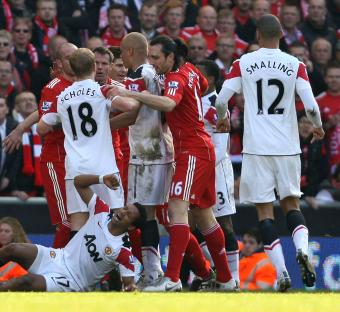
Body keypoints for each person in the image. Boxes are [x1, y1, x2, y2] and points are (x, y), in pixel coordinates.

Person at [107, 35, 236, 291]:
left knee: (177, 211)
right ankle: (227, 279)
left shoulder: (175, 78)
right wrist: (221, 114)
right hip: (197, 148)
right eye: (150, 56)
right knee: (205, 217)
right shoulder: (191, 71)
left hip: (191, 150)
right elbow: (202, 87)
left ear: (171, 57)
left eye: (156, 58)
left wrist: (138, 94)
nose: (152, 63)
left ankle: (173, 279)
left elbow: (169, 102)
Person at [215, 14, 324, 291]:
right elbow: (310, 106)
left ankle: (282, 272)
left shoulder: (244, 63)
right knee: (291, 204)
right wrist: (317, 127)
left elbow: (221, 99)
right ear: (280, 36)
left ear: (258, 36)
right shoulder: (295, 64)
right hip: (287, 148)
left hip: (256, 149)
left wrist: (224, 116)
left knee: (264, 214)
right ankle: (301, 250)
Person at [0, 173, 146, 292]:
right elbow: (78, 182)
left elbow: (129, 286)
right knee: (13, 249)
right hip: (58, 257)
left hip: (72, 281)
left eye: (128, 215)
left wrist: (130, 289)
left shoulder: (123, 252)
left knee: (25, 282)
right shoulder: (102, 212)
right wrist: (101, 179)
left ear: (131, 227)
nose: (122, 212)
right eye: (124, 208)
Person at [38, 48, 139, 236]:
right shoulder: (101, 91)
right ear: (93, 66)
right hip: (104, 167)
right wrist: (116, 95)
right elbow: (131, 106)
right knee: (115, 218)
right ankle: (114, 264)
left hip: (75, 169)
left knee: (78, 223)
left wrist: (65, 120)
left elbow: (41, 128)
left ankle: (80, 265)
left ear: (73, 70)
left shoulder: (62, 97)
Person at [113, 32, 174, 287]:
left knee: (145, 213)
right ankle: (152, 271)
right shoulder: (151, 74)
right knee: (147, 213)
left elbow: (131, 110)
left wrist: (105, 121)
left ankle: (153, 272)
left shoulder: (140, 76)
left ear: (129, 52)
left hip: (148, 151)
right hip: (153, 149)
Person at [3, 42, 78, 248]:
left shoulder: (86, 85)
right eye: (69, 57)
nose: (75, 60)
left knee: (89, 219)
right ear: (59, 64)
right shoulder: (53, 88)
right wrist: (21, 128)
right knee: (66, 222)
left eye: (77, 55)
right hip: (58, 159)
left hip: (82, 160)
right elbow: (44, 123)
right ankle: (55, 273)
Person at [195, 60, 239, 285]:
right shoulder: (196, 101)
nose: (194, 78)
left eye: (198, 74)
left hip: (217, 169)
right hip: (199, 169)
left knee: (223, 224)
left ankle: (234, 279)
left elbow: (221, 145)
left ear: (210, 79)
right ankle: (214, 272)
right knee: (197, 224)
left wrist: (205, 168)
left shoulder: (216, 104)